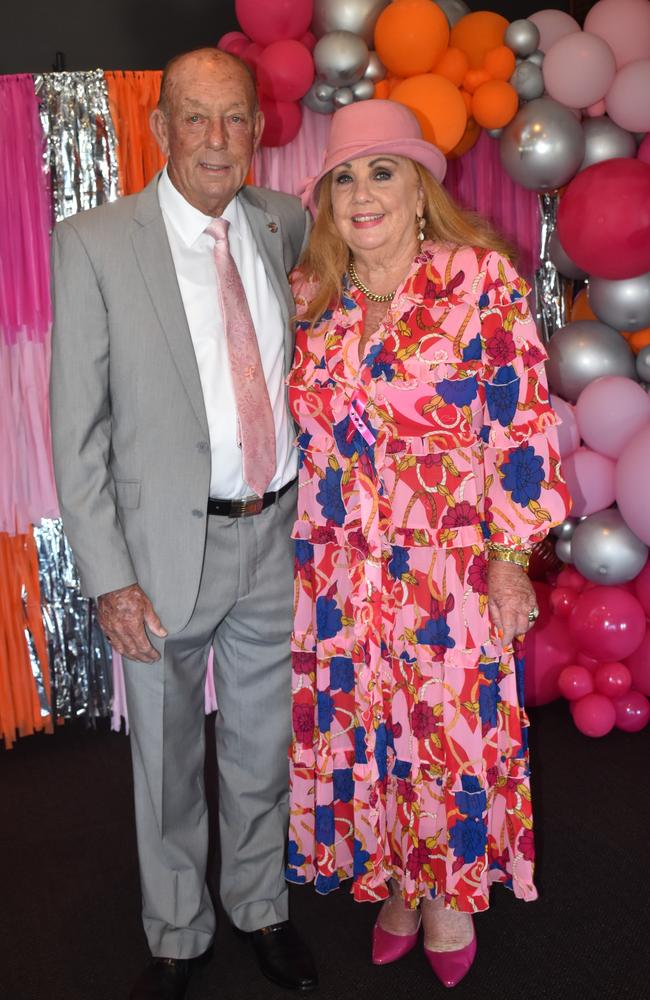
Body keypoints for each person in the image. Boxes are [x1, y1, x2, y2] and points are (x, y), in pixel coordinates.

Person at [50, 48, 317, 1000]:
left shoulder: (283, 223)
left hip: (274, 537)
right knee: (165, 756)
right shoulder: (94, 243)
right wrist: (108, 574)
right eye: (194, 118)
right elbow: (75, 433)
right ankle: (175, 926)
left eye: (234, 119)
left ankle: (260, 907)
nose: (216, 140)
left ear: (257, 128)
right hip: (161, 555)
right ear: (158, 128)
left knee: (261, 746)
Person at [286, 100, 571, 988]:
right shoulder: (315, 305)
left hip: (444, 569)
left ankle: (447, 889)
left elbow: (519, 430)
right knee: (366, 730)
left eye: (381, 172)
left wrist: (512, 558)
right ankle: (394, 879)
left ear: (419, 190)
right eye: (344, 177)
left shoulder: (480, 280)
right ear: (329, 202)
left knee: (445, 736)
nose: (361, 193)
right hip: (339, 571)